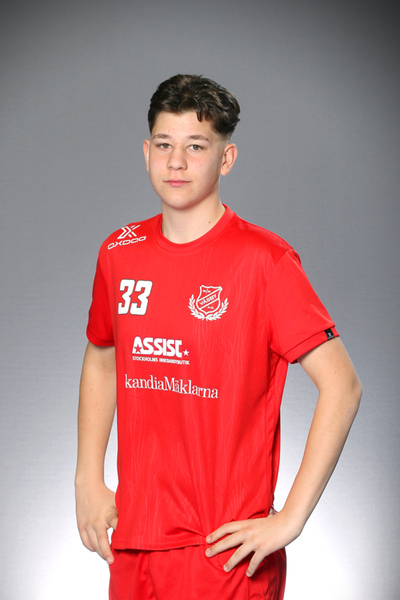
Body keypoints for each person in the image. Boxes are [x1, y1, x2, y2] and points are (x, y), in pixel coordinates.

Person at [75, 74, 362, 600]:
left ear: (225, 159)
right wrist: (87, 479)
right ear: (146, 152)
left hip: (223, 551)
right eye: (165, 144)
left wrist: (291, 518)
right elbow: (101, 357)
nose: (176, 162)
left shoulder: (266, 261)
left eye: (196, 146)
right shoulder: (118, 251)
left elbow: (342, 386)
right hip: (134, 539)